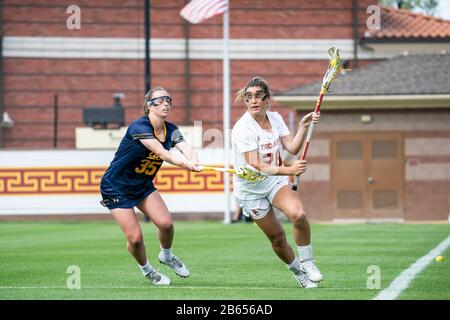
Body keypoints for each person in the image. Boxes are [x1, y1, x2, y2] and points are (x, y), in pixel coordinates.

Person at [100, 86, 201, 286]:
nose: (166, 104)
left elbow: (186, 148)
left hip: (142, 185)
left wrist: (194, 161)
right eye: (160, 100)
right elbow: (163, 154)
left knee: (166, 224)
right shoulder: (140, 127)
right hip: (116, 186)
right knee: (136, 238)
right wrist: (184, 164)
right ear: (149, 105)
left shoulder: (170, 129)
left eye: (169, 100)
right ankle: (148, 271)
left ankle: (167, 256)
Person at [231, 76, 322, 289]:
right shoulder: (242, 129)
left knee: (298, 215)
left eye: (258, 96)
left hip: (275, 182)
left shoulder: (275, 118)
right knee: (278, 238)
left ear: (267, 99)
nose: (253, 101)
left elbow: (291, 148)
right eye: (248, 97)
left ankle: (308, 262)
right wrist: (290, 169)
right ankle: (298, 273)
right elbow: (258, 165)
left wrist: (302, 126)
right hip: (251, 190)